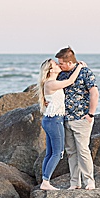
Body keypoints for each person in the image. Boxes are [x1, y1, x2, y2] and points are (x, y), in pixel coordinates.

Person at [36, 58, 85, 190]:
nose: (58, 65)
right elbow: (70, 81)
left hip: (50, 120)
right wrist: (79, 67)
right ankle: (45, 182)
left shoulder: (51, 82)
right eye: (55, 64)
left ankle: (44, 180)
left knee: (50, 153)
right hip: (54, 121)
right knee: (58, 153)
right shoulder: (51, 83)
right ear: (50, 70)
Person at [55, 46, 98, 190]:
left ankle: (89, 181)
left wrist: (91, 114)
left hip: (81, 118)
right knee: (71, 152)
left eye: (61, 63)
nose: (59, 65)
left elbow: (94, 93)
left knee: (83, 150)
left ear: (69, 62)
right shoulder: (61, 75)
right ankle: (75, 182)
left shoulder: (85, 72)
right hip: (65, 119)